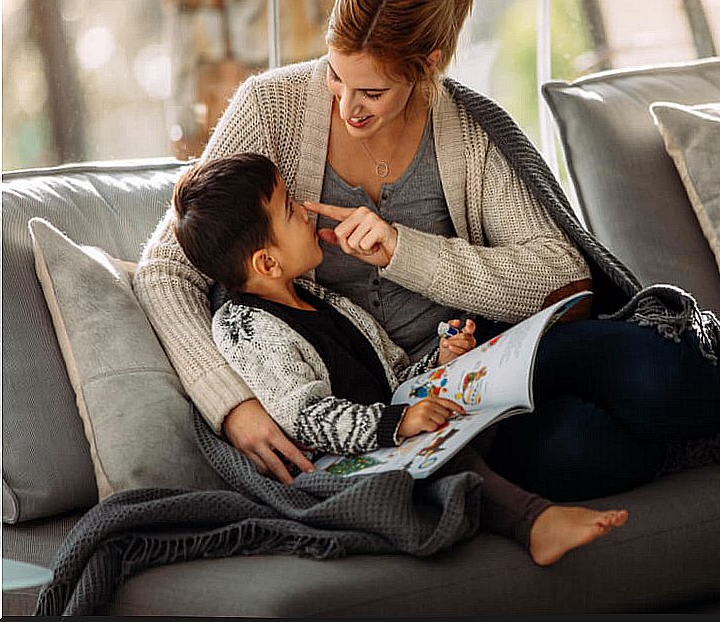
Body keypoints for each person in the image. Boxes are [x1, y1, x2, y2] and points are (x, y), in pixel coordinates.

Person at [134, 0, 720, 503]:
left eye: (372, 90)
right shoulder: (271, 110)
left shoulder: (466, 133)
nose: (345, 107)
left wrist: (406, 250)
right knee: (575, 451)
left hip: (491, 355)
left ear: (430, 61)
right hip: (416, 407)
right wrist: (231, 406)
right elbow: (168, 265)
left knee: (663, 377)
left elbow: (561, 273)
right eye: (334, 76)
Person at [171, 151, 630, 566]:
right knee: (453, 465)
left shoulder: (321, 298)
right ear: (267, 264)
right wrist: (396, 423)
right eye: (291, 210)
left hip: (398, 430)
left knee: (527, 404)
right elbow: (305, 417)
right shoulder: (244, 326)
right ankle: (534, 522)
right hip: (344, 462)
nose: (306, 210)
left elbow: (394, 376)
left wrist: (441, 359)